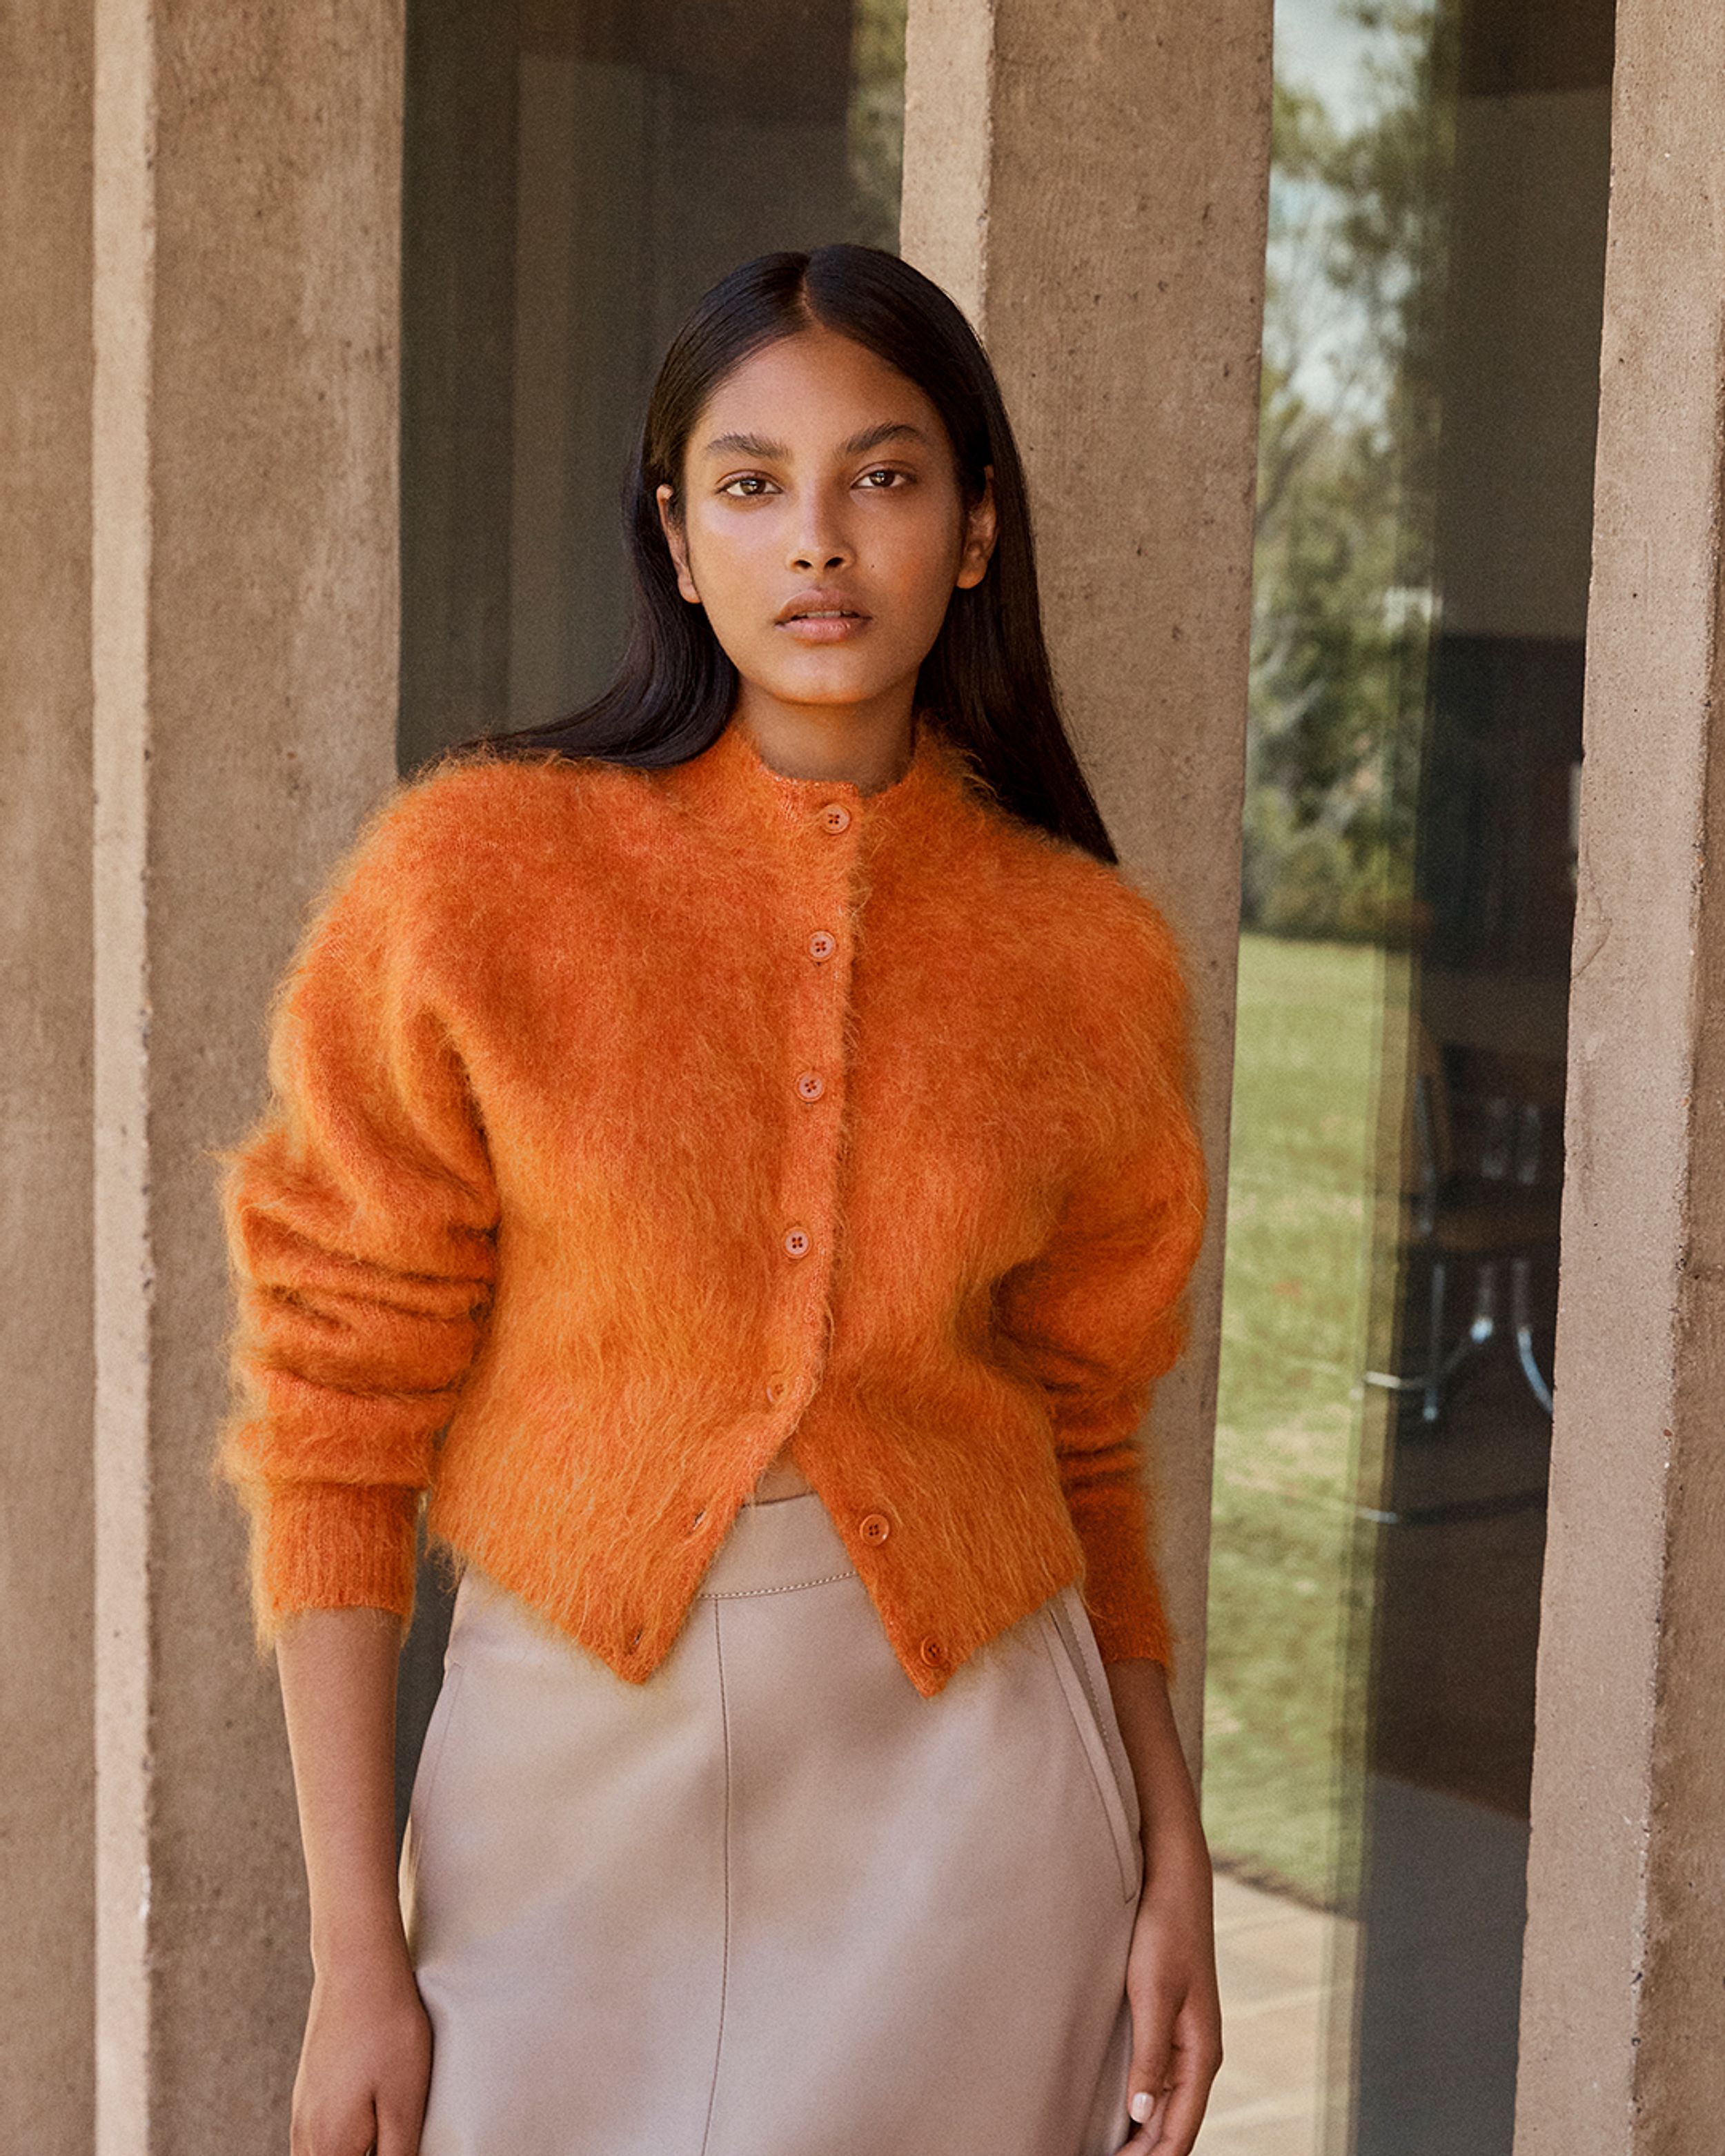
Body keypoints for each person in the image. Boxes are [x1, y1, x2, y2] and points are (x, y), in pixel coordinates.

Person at [219, 243, 1219, 2156]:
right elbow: (331, 1424)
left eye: (886, 476)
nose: (819, 541)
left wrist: (1170, 1852)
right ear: (679, 544)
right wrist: (359, 1948)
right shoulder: (469, 885)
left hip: (974, 1802)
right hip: (564, 1787)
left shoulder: (1085, 955)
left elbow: (1088, 1444)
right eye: (753, 485)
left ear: (976, 530)